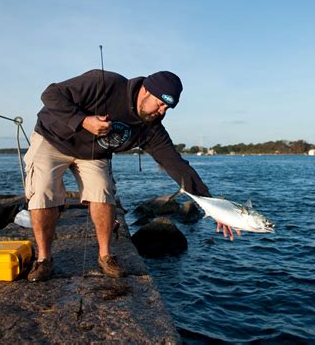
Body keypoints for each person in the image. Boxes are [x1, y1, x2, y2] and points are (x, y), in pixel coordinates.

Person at [24, 69, 237, 282]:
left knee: (102, 189)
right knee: (43, 188)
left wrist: (212, 204)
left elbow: (176, 164)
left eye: (168, 108)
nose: (162, 112)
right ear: (145, 90)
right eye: (160, 103)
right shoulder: (104, 82)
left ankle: (106, 256)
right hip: (53, 138)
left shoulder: (151, 129)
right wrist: (84, 120)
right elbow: (51, 94)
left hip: (93, 154)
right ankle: (44, 259)